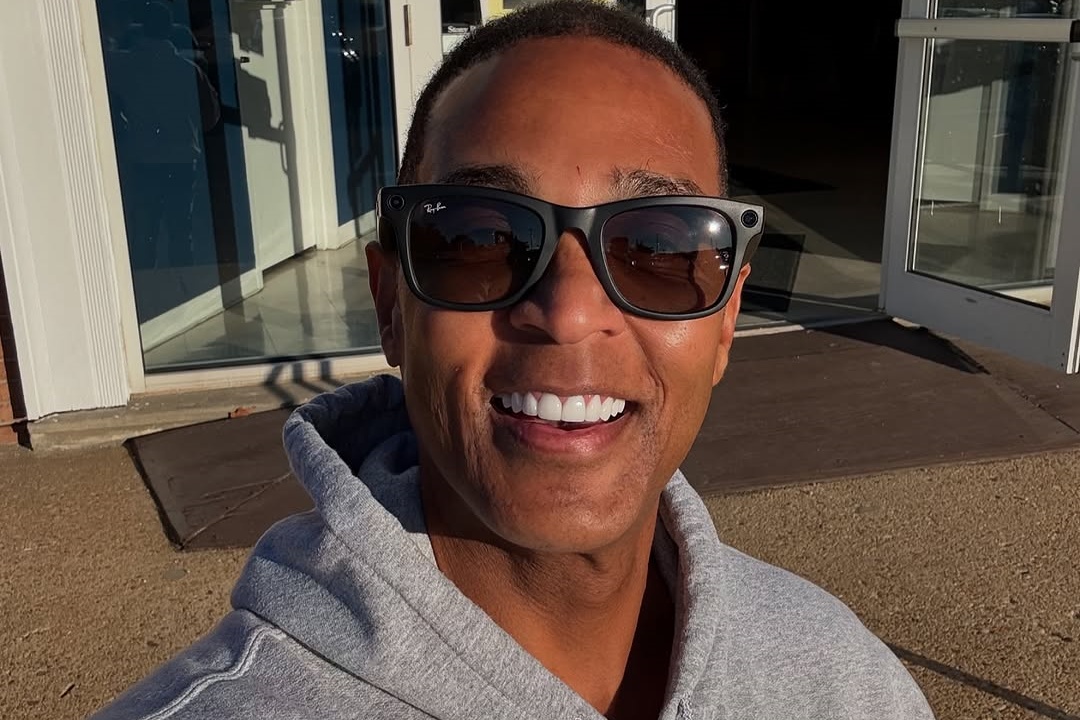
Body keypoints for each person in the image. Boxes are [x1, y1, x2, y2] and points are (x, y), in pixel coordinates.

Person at [92, 2, 935, 718]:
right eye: (481, 240)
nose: (568, 315)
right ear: (391, 307)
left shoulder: (843, 682)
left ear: (725, 323)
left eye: (656, 247)